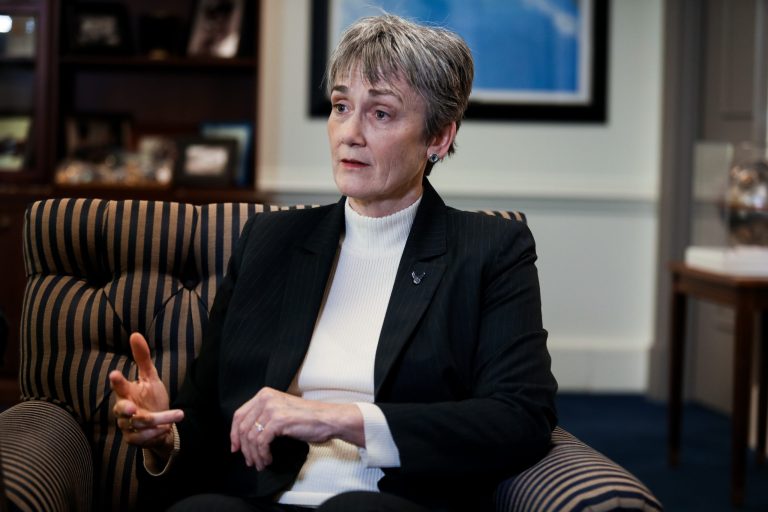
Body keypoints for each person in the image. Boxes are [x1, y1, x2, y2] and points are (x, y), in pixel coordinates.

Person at [109, 14, 557, 512]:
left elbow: (521, 416)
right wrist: (160, 439)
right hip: (263, 497)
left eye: (381, 114)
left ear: (439, 138)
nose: (350, 133)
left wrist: (338, 418)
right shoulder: (270, 242)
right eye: (341, 106)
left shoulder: (490, 250)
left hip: (387, 501)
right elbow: (205, 423)